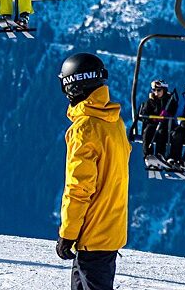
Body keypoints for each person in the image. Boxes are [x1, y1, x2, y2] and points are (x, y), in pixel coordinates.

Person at [55, 53, 130, 290]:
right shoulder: (114, 123)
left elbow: (79, 187)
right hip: (111, 228)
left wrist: (67, 233)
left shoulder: (85, 128)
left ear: (73, 86)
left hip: (93, 233)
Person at [139, 80, 179, 166]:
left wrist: (167, 115)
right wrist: (153, 119)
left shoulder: (170, 101)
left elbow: (175, 111)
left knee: (162, 132)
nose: (156, 92)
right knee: (147, 132)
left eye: (158, 90)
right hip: (153, 124)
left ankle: (160, 154)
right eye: (154, 90)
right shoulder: (150, 101)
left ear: (164, 90)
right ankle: (148, 155)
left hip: (166, 125)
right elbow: (144, 114)